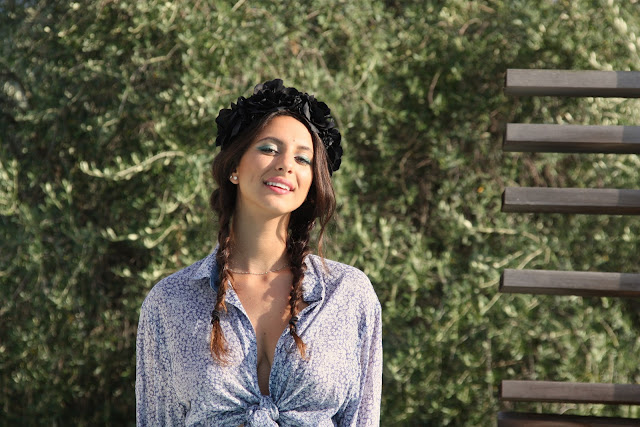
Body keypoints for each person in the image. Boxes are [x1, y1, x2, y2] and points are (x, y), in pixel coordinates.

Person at [136, 79, 382, 426]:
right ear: (234, 167)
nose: (286, 164)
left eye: (302, 158)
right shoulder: (170, 301)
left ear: (311, 183)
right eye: (269, 148)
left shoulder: (348, 294)